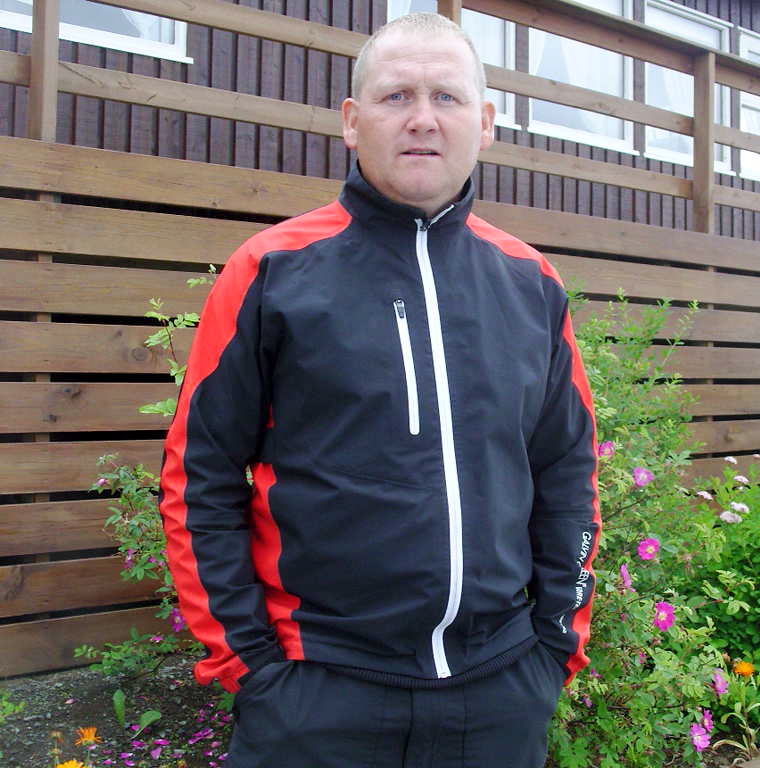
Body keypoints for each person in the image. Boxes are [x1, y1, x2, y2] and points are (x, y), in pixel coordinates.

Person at [159, 12, 600, 768]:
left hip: (498, 695)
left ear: (485, 123)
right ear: (352, 122)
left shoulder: (531, 283)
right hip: (315, 695)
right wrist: (250, 666)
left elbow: (568, 470)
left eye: (447, 97)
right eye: (397, 96)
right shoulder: (271, 271)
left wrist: (556, 644)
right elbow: (198, 473)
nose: (423, 118)